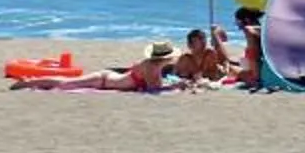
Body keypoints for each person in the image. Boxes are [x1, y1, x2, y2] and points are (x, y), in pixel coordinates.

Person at [10, 41, 181, 92]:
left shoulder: (150, 65)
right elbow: (154, 89)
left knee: (68, 82)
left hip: (107, 78)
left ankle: (33, 81)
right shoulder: (152, 69)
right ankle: (29, 82)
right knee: (65, 83)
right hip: (104, 80)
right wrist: (175, 86)